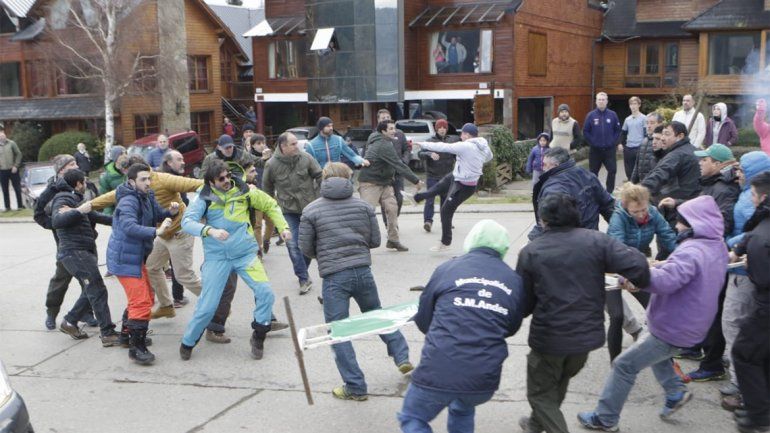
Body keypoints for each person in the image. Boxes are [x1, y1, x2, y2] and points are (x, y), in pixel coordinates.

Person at [578, 195, 729, 431]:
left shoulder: (691, 251)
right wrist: (661, 266)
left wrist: (632, 277)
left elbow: (666, 282)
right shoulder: (716, 244)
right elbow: (683, 274)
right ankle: (675, 392)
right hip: (687, 323)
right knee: (654, 354)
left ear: (695, 224)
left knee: (624, 365)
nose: (676, 226)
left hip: (673, 326)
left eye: (681, 222)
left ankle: (605, 418)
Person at [516, 193, 650, 433]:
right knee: (558, 379)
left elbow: (523, 305)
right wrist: (636, 280)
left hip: (550, 340)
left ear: (543, 220)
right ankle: (536, 424)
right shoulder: (597, 241)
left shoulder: (532, 252)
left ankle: (546, 422)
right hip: (586, 338)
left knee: (540, 393)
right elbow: (638, 264)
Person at [397, 219, 525, 432]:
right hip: (483, 380)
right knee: (462, 408)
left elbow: (423, 319)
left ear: (471, 240)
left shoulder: (447, 269)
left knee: (413, 417)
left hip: (438, 371)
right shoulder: (514, 279)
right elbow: (512, 326)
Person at [299, 162, 413, 399]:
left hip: (334, 275)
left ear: (324, 180)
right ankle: (402, 356)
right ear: (348, 178)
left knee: (339, 331)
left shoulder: (311, 210)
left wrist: (325, 253)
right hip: (362, 271)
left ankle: (355, 386)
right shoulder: (363, 205)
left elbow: (305, 248)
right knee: (377, 315)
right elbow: (374, 241)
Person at [180, 160, 290, 361]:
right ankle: (188, 341)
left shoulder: (244, 190)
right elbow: (186, 222)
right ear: (211, 182)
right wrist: (209, 230)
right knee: (207, 306)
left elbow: (270, 204)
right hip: (217, 258)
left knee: (265, 293)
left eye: (228, 176)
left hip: (245, 255)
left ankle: (259, 335)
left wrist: (283, 228)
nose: (227, 181)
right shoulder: (203, 197)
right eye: (221, 179)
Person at [90, 150, 204, 320]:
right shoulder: (134, 186)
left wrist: (205, 206)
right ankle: (166, 306)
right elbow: (110, 197)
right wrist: (85, 206)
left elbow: (197, 184)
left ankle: (216, 303)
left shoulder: (163, 179)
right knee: (151, 267)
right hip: (162, 234)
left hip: (180, 232)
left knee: (183, 275)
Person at [107, 163, 177, 365]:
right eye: (143, 180)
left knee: (145, 295)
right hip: (125, 258)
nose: (148, 182)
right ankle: (137, 349)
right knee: (141, 301)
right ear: (131, 182)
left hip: (136, 256)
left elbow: (155, 214)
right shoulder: (128, 201)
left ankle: (126, 336)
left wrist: (169, 213)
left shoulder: (146, 195)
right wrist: (156, 232)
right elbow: (128, 226)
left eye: (149, 178)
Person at [606, 183, 677, 361]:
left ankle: (663, 357)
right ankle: (616, 363)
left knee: (655, 308)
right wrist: (629, 276)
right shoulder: (618, 218)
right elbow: (619, 250)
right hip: (610, 270)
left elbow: (667, 235)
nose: (640, 215)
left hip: (637, 265)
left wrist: (683, 257)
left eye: (643, 210)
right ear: (625, 207)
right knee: (617, 316)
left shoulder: (653, 213)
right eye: (635, 212)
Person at [721, 151, 770, 405]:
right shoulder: (747, 194)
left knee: (733, 324)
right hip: (741, 269)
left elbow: (754, 232)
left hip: (744, 272)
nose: (737, 173)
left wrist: (733, 244)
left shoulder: (757, 199)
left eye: (742, 170)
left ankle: (741, 386)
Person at [50, 169, 120, 346]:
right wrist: (79, 210)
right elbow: (57, 221)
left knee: (93, 289)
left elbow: (96, 216)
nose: (86, 185)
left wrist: (122, 219)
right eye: (84, 182)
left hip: (81, 252)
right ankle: (107, 333)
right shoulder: (63, 198)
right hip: (74, 252)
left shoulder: (74, 199)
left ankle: (70, 321)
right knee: (97, 289)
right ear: (78, 183)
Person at [34, 154, 95, 330]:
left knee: (89, 280)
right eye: (71, 164)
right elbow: (43, 212)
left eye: (76, 162)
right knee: (61, 280)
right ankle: (51, 313)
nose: (76, 165)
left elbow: (91, 203)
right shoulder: (53, 188)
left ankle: (86, 311)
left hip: (87, 240)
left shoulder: (82, 181)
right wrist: (54, 225)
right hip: (66, 244)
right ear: (61, 170)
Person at [730, 171, 770, 433]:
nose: (751, 200)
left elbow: (763, 278)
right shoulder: (760, 230)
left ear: (762, 197)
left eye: (753, 195)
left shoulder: (762, 237)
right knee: (763, 356)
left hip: (766, 307)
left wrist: (750, 261)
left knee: (743, 353)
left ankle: (759, 414)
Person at [413, 123, 492, 252]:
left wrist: (422, 144)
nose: (460, 136)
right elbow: (489, 157)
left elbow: (443, 147)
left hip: (464, 185)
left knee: (446, 211)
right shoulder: (483, 146)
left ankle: (445, 243)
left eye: (462, 134)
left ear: (467, 134)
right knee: (439, 186)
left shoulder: (466, 146)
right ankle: (417, 198)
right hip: (456, 176)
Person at [262, 131, 323, 294]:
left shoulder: (306, 158)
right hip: (288, 211)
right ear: (283, 146)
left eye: (297, 143)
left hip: (310, 208)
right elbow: (266, 190)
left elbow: (320, 175)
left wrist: (319, 197)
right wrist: (274, 209)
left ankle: (303, 270)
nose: (298, 146)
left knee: (308, 243)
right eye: (293, 144)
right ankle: (303, 278)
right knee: (292, 244)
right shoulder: (271, 164)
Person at [358, 120, 422, 252]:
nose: (394, 131)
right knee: (366, 214)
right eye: (391, 129)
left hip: (384, 182)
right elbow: (398, 164)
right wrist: (416, 180)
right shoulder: (383, 144)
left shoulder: (384, 141)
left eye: (394, 128)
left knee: (392, 209)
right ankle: (361, 245)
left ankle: (393, 240)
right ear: (383, 131)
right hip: (370, 183)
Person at [529, 147, 615, 240]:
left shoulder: (553, 188)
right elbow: (609, 206)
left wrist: (531, 242)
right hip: (591, 239)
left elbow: (548, 220)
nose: (542, 168)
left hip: (567, 244)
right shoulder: (587, 175)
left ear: (556, 165)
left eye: (545, 164)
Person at [641, 121, 701, 205]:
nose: (662, 138)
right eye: (662, 134)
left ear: (680, 136)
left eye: (667, 134)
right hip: (694, 200)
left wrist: (638, 191)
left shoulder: (677, 154)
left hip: (679, 203)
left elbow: (659, 174)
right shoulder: (694, 150)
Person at [418, 118, 457, 233]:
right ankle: (428, 222)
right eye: (439, 127)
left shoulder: (451, 141)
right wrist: (429, 153)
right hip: (433, 176)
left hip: (447, 177)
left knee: (446, 201)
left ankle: (446, 222)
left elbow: (458, 155)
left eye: (444, 127)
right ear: (436, 129)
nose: (442, 129)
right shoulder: (430, 141)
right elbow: (420, 154)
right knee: (430, 200)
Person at [583, 92, 622, 193]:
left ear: (606, 101)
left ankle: (609, 192)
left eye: (603, 99)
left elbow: (617, 130)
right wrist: (593, 142)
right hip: (595, 150)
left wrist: (613, 141)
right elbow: (586, 131)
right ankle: (595, 192)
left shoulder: (613, 115)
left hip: (609, 150)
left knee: (612, 171)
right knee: (593, 173)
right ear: (596, 101)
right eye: (599, 99)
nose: (601, 101)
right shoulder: (590, 115)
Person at [631, 112, 665, 184]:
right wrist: (632, 182)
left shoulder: (663, 142)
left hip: (655, 184)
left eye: (652, 123)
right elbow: (636, 166)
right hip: (642, 183)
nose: (648, 126)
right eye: (647, 123)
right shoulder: (644, 141)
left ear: (660, 124)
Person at [620, 97, 646, 182]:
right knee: (629, 170)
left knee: (640, 170)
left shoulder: (644, 118)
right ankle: (631, 187)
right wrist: (620, 144)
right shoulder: (627, 119)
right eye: (631, 104)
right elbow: (623, 133)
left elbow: (646, 134)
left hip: (639, 147)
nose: (633, 106)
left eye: (635, 104)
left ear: (639, 105)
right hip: (628, 148)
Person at [0, 126, 23, 211]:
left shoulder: (11, 143)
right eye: (0, 137)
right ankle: (7, 207)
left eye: (3, 136)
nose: (2, 138)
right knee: (5, 189)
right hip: (2, 171)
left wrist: (16, 165)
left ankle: (20, 206)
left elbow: (19, 154)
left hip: (13, 170)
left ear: (5, 136)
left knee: (17, 188)